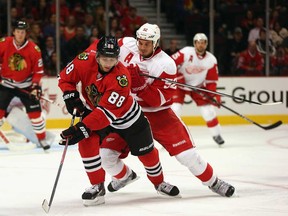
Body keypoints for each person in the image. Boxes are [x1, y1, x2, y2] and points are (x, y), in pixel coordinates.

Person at [92, 24, 235, 197]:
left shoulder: (166, 64)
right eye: (140, 42)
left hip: (159, 115)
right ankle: (125, 177)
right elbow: (100, 48)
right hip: (127, 113)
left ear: (156, 43)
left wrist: (140, 87)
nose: (142, 47)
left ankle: (214, 182)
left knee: (187, 155)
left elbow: (160, 101)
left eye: (147, 44)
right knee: (105, 154)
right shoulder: (126, 44)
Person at [58, 36, 180, 207]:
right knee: (86, 141)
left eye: (113, 59)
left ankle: (159, 182)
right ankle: (97, 187)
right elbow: (64, 78)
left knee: (147, 155)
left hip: (127, 119)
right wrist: (69, 95)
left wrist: (81, 127)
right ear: (97, 56)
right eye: (105, 58)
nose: (108, 63)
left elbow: (105, 114)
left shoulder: (121, 78)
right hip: (99, 113)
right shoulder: (84, 60)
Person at [0, 20, 49, 150]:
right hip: (6, 84)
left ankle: (42, 139)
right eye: (18, 32)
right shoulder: (4, 43)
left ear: (26, 33)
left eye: (22, 32)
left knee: (35, 114)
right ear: (13, 32)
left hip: (26, 85)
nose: (20, 34)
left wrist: (35, 87)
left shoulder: (34, 49)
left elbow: (38, 72)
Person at [170, 33, 225, 145]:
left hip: (198, 87)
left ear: (206, 44)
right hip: (179, 86)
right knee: (175, 110)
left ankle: (217, 134)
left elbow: (211, 81)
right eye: (198, 42)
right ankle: (170, 138)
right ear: (194, 43)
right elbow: (169, 63)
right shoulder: (186, 52)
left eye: (203, 42)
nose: (201, 45)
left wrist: (213, 96)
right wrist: (177, 76)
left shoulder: (211, 60)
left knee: (208, 111)